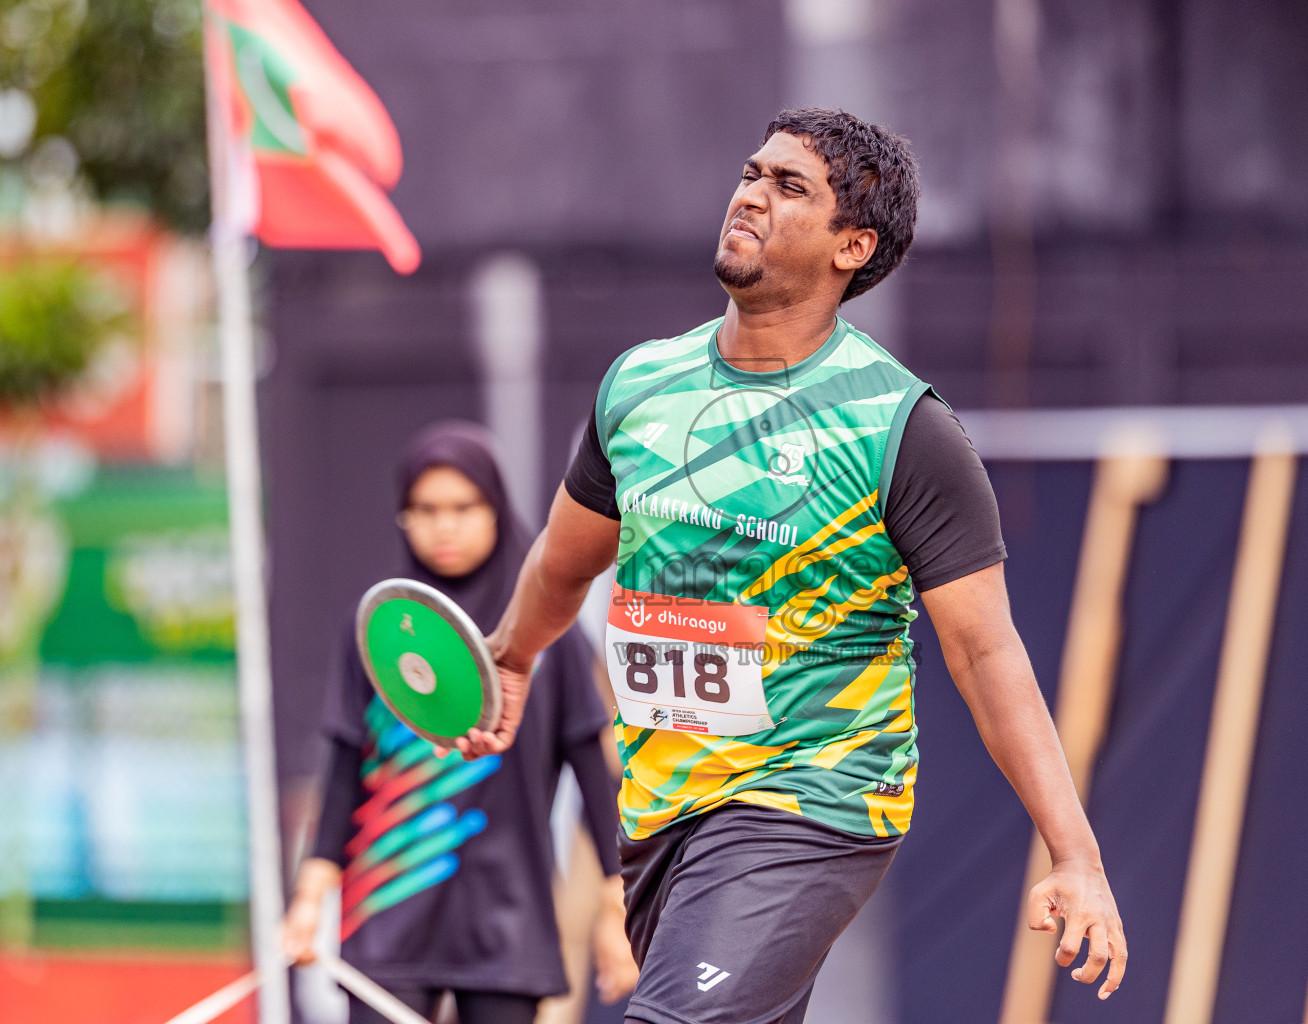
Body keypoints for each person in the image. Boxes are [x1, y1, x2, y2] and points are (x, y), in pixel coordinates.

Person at [458, 108, 1127, 1024]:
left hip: (815, 794)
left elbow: (986, 653)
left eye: (789, 187)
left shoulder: (903, 429)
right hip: (660, 802)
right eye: (751, 173)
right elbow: (565, 559)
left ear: (853, 245)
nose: (751, 195)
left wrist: (1075, 856)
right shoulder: (641, 384)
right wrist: (510, 656)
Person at [282, 422, 639, 1023]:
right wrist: (309, 897)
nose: (443, 524)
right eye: (423, 509)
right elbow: (345, 767)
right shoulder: (379, 627)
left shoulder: (543, 631)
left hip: (508, 914)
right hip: (389, 904)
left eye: (462, 506)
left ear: (495, 509)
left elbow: (592, 770)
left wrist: (614, 905)